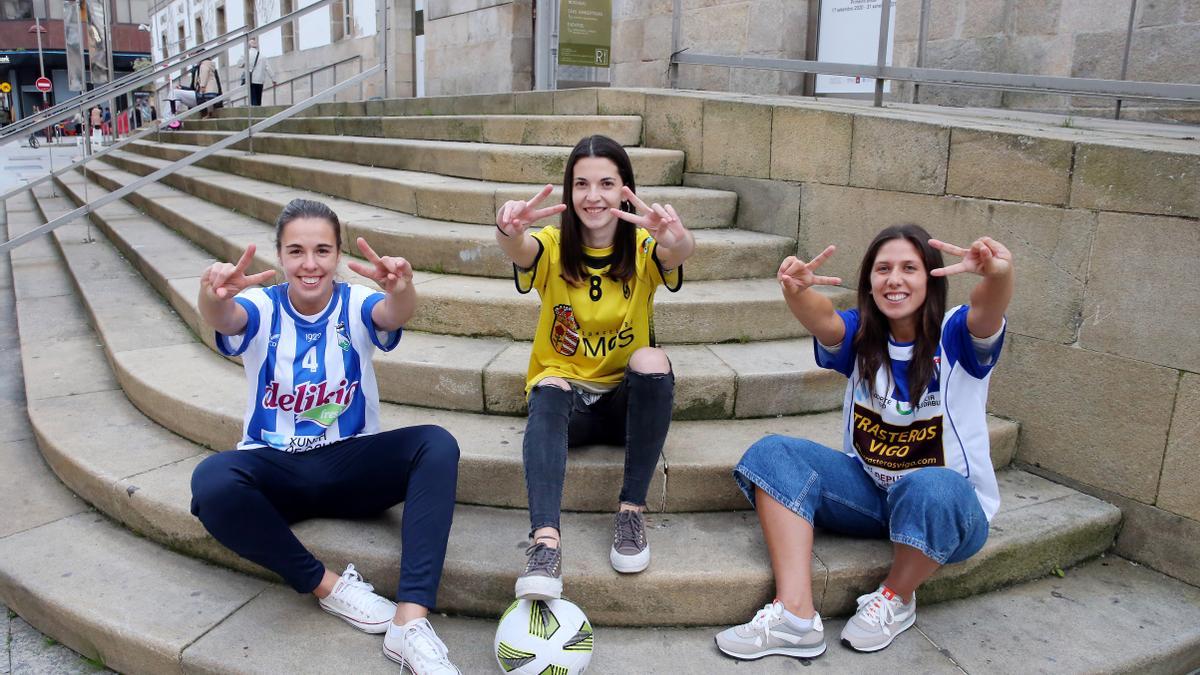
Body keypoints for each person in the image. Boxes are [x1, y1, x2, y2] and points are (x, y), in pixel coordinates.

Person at [715, 224, 1015, 659]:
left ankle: (895, 598)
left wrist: (998, 275)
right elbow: (826, 322)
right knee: (771, 454)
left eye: (909, 268)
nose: (894, 279)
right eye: (883, 269)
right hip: (871, 493)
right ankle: (795, 616)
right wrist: (797, 291)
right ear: (869, 283)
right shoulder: (863, 336)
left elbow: (987, 311)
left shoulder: (957, 336)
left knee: (934, 485)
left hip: (947, 510)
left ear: (932, 277)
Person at [189, 199, 463, 673]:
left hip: (349, 463)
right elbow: (225, 319)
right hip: (277, 468)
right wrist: (213, 295)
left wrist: (403, 288)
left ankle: (410, 622)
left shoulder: (355, 300)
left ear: (337, 256)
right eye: (296, 251)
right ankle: (331, 589)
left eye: (322, 250)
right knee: (211, 483)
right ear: (279, 256)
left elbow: (392, 314)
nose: (310, 264)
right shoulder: (260, 303)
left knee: (436, 443)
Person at [494, 135, 696, 600]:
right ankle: (545, 544)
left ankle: (630, 513)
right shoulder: (551, 244)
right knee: (550, 383)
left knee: (652, 358)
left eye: (607, 183)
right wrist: (507, 229)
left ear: (626, 189)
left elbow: (678, 252)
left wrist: (677, 238)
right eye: (581, 184)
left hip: (627, 403)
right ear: (568, 192)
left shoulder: (644, 247)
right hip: (568, 411)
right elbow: (519, 249)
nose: (593, 195)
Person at [235, 37, 276, 106]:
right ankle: (259, 113)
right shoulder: (263, 56)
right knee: (259, 99)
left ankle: (254, 113)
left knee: (253, 99)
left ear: (249, 45)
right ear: (256, 45)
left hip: (251, 80)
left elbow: (239, 64)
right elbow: (268, 68)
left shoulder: (246, 54)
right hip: (260, 80)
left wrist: (245, 65)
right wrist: (273, 79)